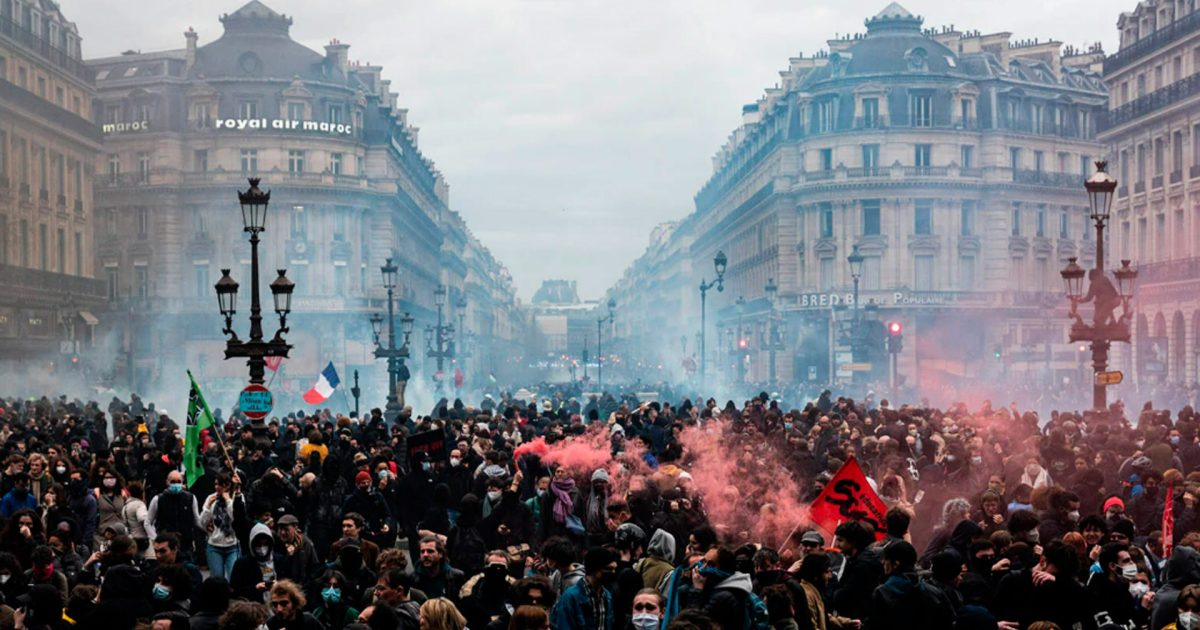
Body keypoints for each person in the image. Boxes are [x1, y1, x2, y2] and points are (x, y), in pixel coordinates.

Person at [866, 541, 953, 630]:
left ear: (896, 564)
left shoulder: (882, 593)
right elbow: (948, 620)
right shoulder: (934, 592)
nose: (882, 562)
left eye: (886, 559)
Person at [551, 546, 617, 630]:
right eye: (608, 569)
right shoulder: (570, 597)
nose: (613, 573)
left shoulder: (607, 596)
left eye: (614, 569)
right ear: (594, 569)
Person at [146, 472, 202, 561]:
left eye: (179, 481)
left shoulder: (191, 498)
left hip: (185, 545)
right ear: (167, 482)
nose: (176, 484)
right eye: (173, 481)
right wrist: (155, 538)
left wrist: (207, 527)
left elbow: (197, 520)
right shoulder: (158, 499)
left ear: (183, 482)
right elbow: (148, 522)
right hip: (166, 547)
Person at [199, 473, 244, 582]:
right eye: (215, 484)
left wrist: (229, 501)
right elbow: (202, 522)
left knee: (233, 578)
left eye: (220, 484)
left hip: (232, 546)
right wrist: (208, 506)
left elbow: (237, 519)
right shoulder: (211, 498)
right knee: (217, 580)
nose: (217, 487)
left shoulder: (237, 497)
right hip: (214, 545)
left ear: (227, 485)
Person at [414, 536, 466, 603]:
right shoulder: (413, 579)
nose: (425, 555)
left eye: (430, 551)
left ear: (440, 554)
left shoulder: (456, 577)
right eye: (422, 551)